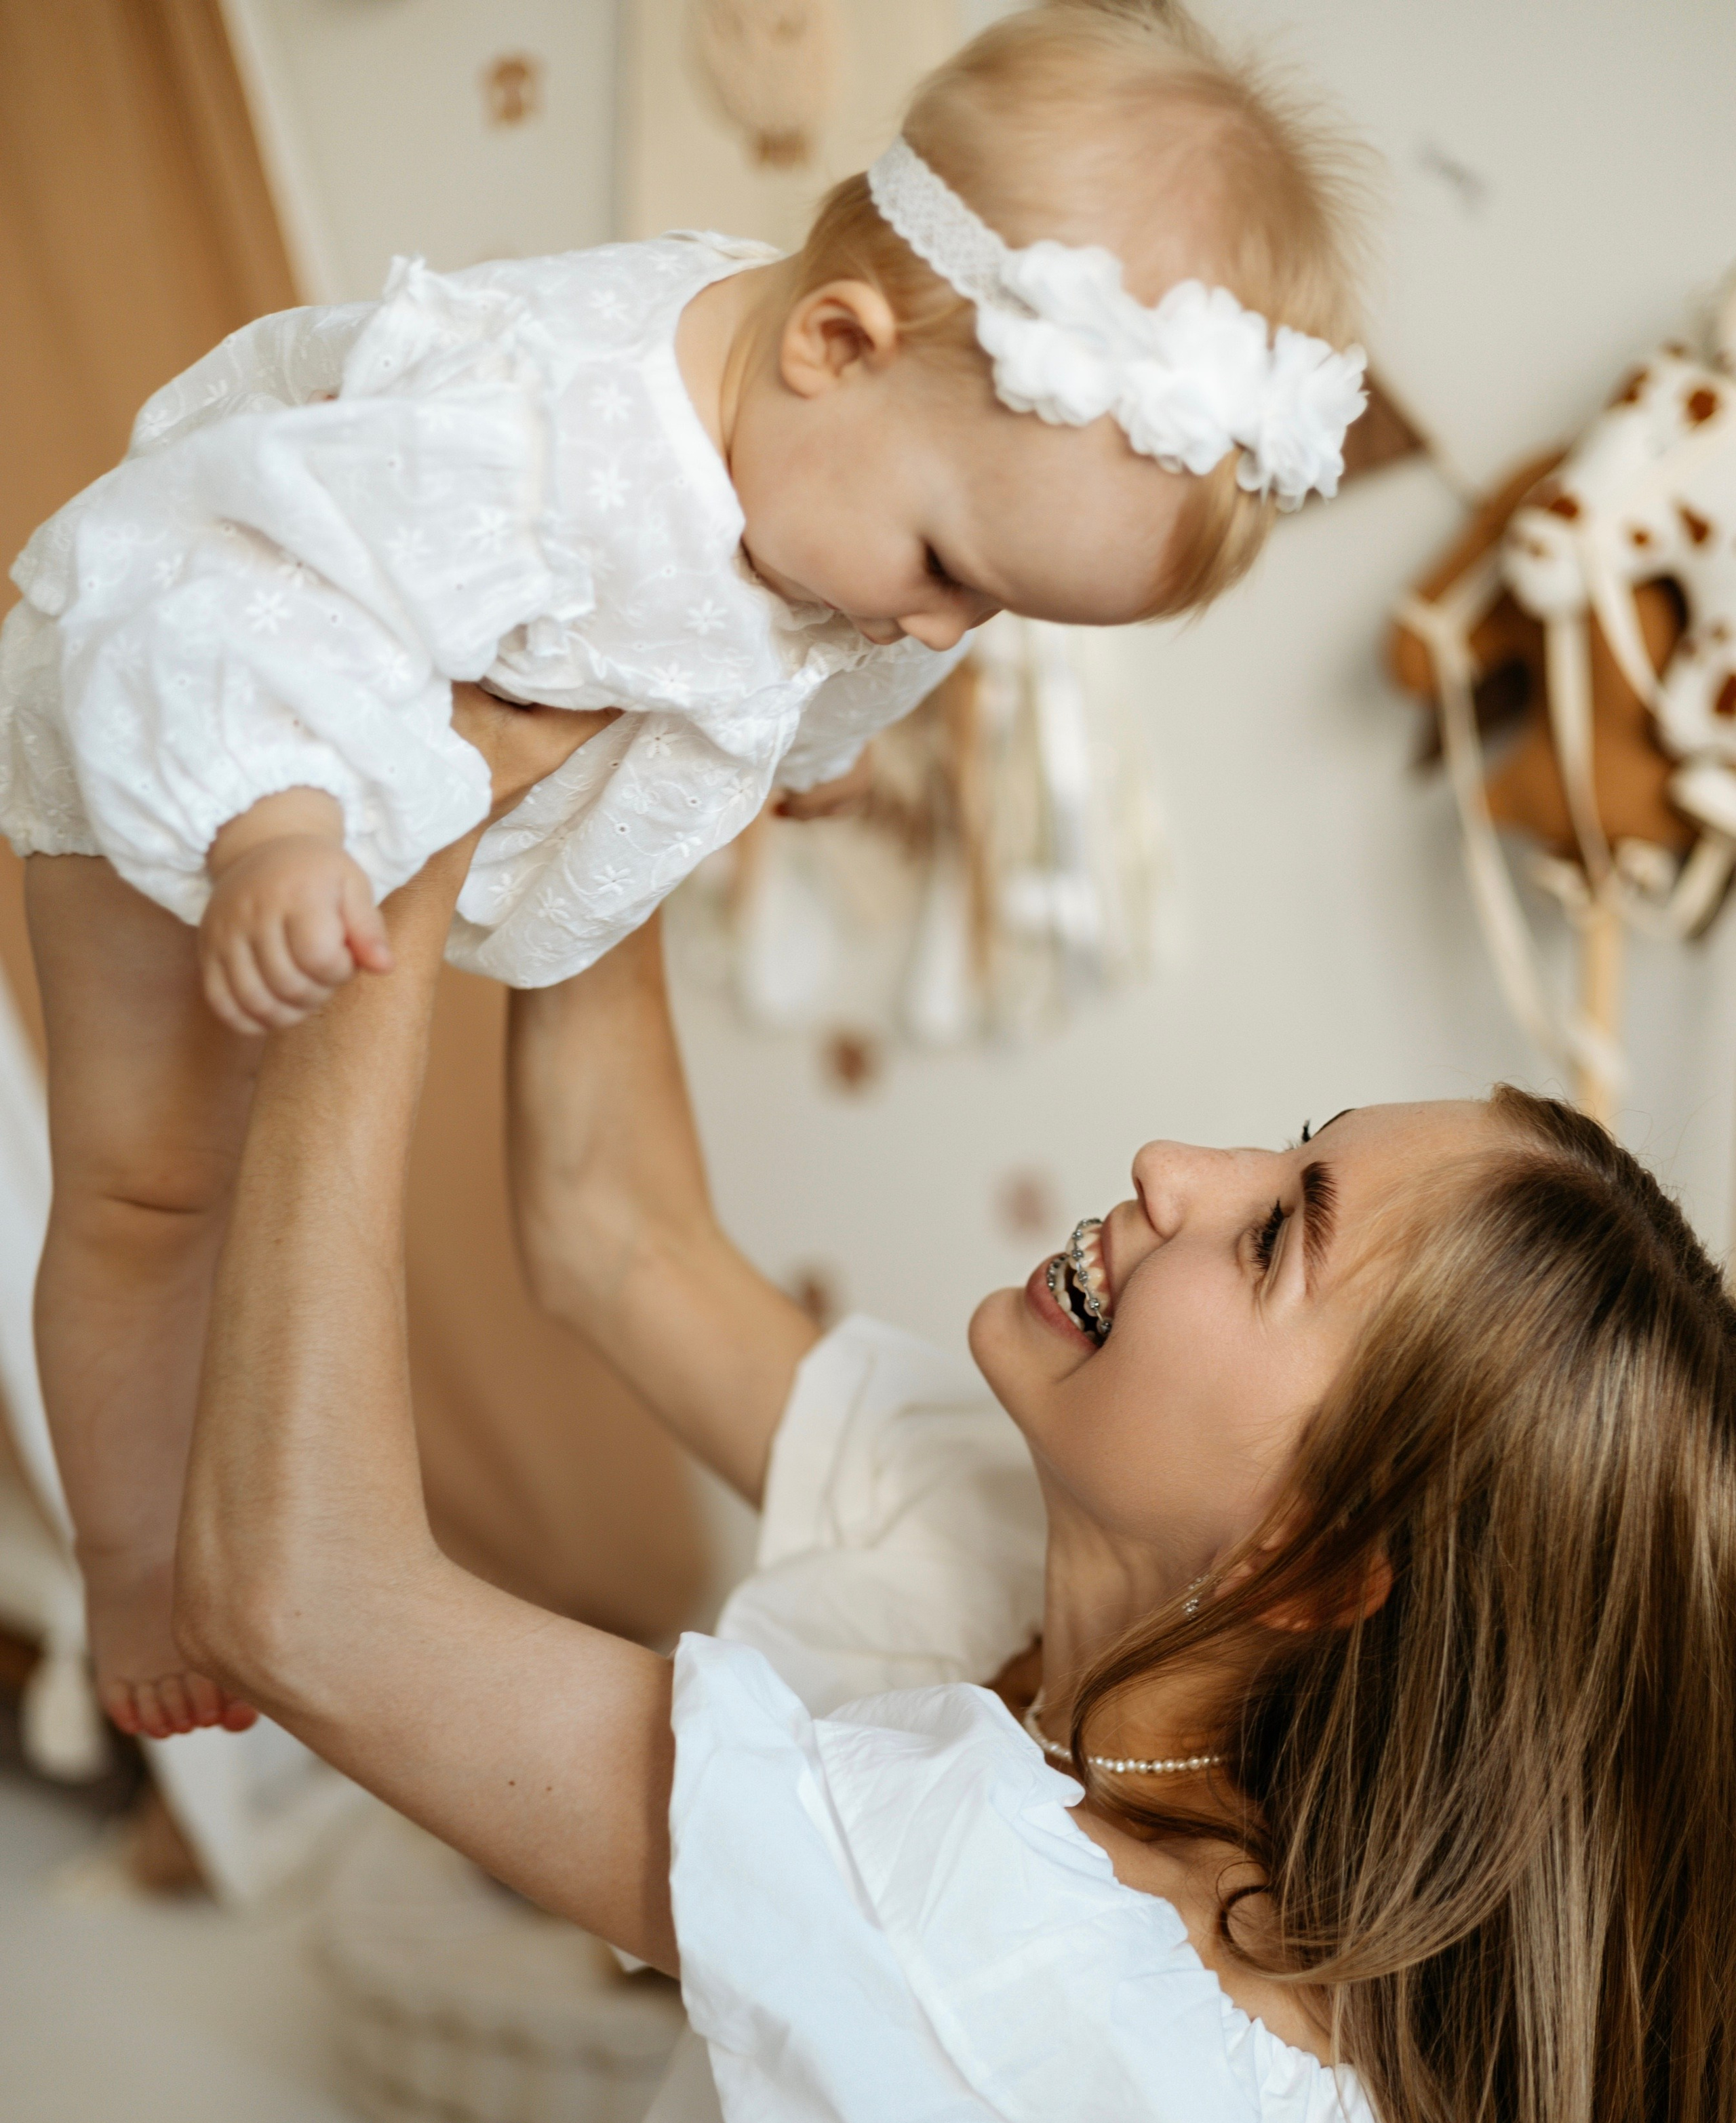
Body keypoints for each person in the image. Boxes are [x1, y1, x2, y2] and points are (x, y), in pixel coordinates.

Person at [172, 703, 1736, 2123]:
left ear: (1329, 1564)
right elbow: (618, 1236)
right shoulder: (1045, 1573)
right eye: (1294, 1147)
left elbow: (301, 1596)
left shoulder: (1058, 1968)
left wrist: (376, 870)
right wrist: (668, 705)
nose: (1179, 1163)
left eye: (1271, 1242)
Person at [2, 0, 1368, 1742]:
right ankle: (130, 1569)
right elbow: (241, 569)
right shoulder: (531, 432)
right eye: (945, 566)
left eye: (988, 605)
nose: (934, 622)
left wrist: (815, 736)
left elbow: (848, 621)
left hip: (369, 794)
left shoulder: (865, 474)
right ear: (832, 342)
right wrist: (279, 812)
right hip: (191, 707)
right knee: (147, 1193)